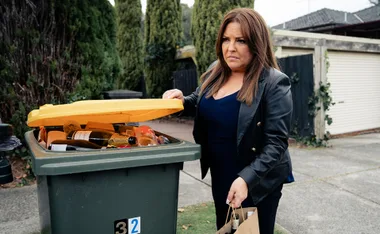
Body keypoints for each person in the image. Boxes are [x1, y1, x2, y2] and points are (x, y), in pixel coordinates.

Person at [163, 8, 294, 234]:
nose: (230, 48)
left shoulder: (274, 83)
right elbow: (200, 98)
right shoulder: (217, 69)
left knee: (245, 231)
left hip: (254, 179)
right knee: (225, 228)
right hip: (221, 172)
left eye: (240, 40)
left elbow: (277, 144)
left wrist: (246, 180)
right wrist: (182, 100)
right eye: (226, 39)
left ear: (256, 43)